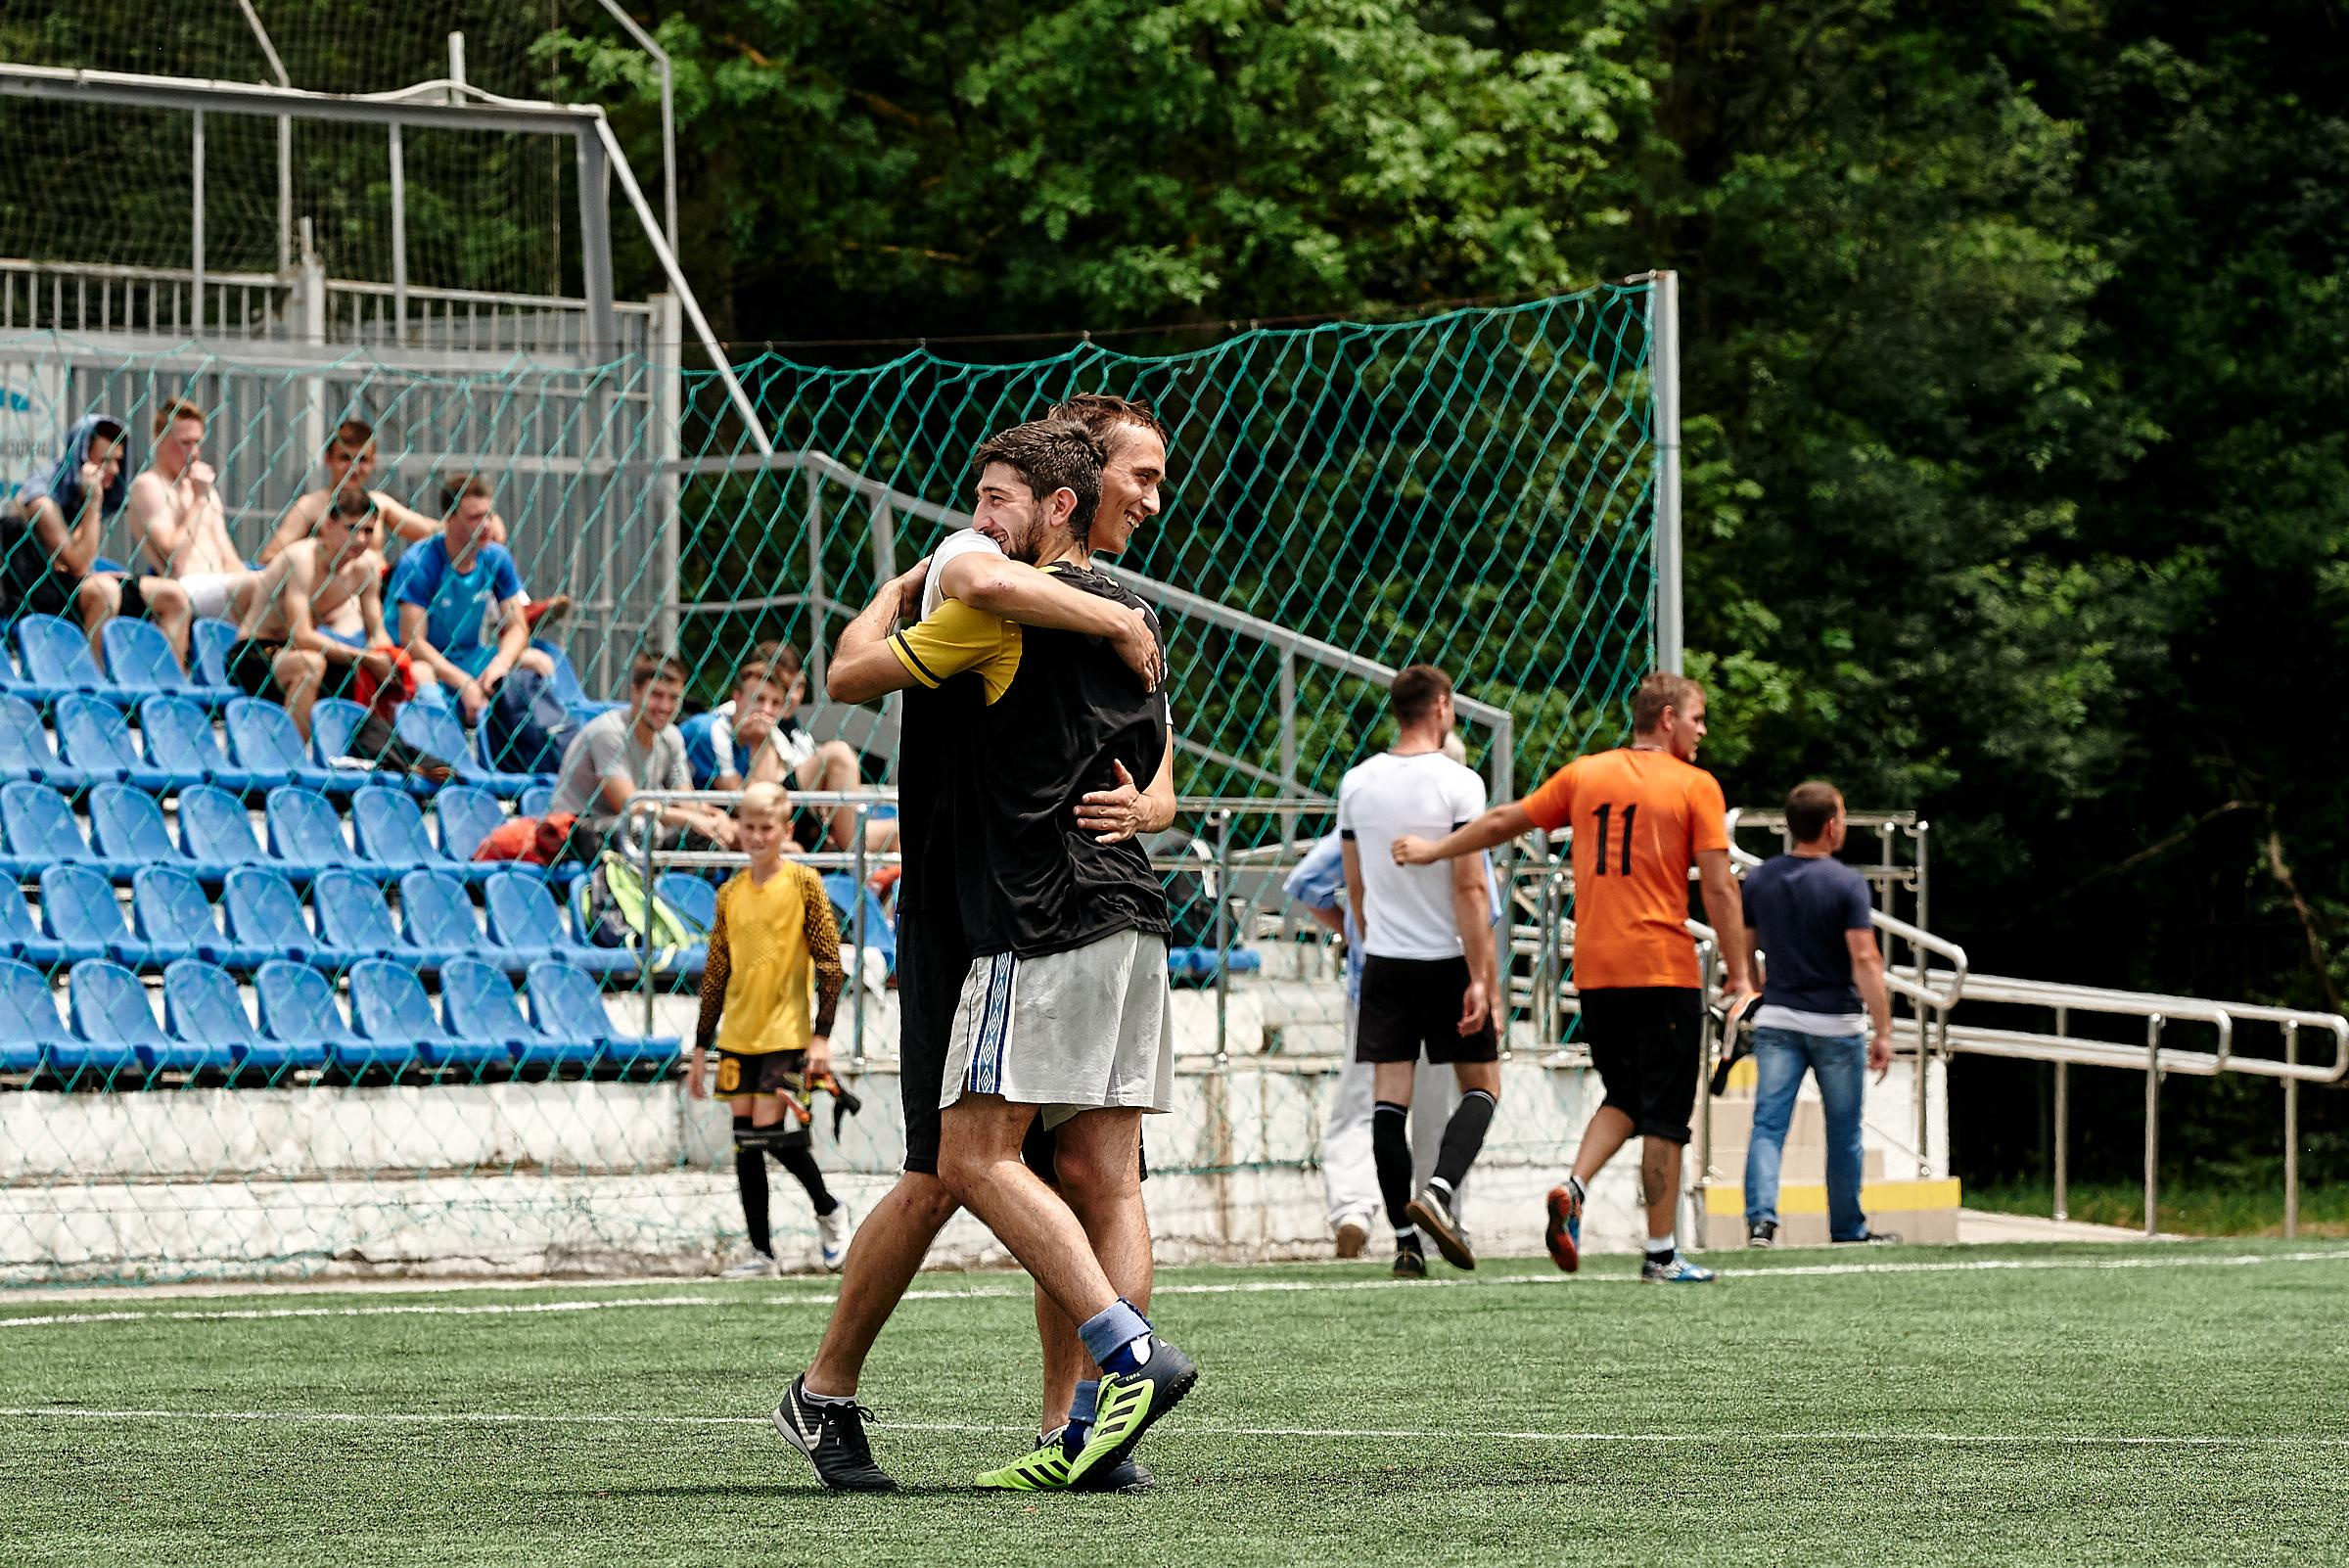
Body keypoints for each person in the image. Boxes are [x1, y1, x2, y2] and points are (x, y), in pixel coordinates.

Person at [773, 401, 1179, 1497]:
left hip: (1036, 911)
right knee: (950, 1169)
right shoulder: (998, 574)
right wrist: (938, 576)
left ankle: (1088, 1419)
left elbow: (1162, 780)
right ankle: (830, 1392)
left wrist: (1148, 807)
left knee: (1043, 1171)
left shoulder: (1101, 603)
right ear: (1081, 484)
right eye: (1140, 474)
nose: (1150, 497)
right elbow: (923, 621)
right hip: (968, 915)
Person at [1395, 670, 1753, 1283]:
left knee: (1625, 1097)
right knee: (1666, 1118)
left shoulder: (1586, 773)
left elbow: (1504, 820)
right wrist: (1740, 974)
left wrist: (1432, 851)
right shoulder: (1696, 785)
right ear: (1668, 718)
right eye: (1697, 718)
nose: (1702, 731)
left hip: (1595, 970)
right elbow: (1718, 887)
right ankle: (1661, 1253)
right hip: (1662, 968)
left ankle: (1575, 1188)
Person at [1283, 739, 1492, 1260]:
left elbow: (1307, 883)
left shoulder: (1367, 812)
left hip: (1376, 977)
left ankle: (1367, 1218)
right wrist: (1484, 981)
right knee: (1444, 1106)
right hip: (1446, 972)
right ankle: (1440, 1205)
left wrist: (1355, 930)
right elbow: (1480, 905)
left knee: (1369, 1104)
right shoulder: (1463, 824)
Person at [1334, 666, 1503, 1278]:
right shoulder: (1460, 783)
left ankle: (1405, 1243)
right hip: (1445, 959)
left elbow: (1353, 883)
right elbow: (1470, 887)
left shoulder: (1357, 783)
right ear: (1441, 706)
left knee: (1389, 1101)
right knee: (1483, 1087)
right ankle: (1438, 1191)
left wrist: (1372, 935)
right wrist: (1481, 976)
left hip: (1385, 961)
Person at [688, 782, 854, 1276]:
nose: (758, 836)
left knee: (768, 1134)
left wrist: (821, 1035)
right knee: (744, 1140)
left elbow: (830, 964)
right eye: (750, 827)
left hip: (786, 1034)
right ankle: (762, 1252)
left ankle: (828, 1208)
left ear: (785, 830)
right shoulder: (729, 894)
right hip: (738, 1035)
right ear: (738, 828)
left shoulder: (804, 884)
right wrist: (701, 1048)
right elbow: (716, 973)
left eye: (767, 828)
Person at [1737, 780, 1899, 1247]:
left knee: (1769, 1125)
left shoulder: (1761, 878)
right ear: (1831, 826)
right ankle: (1847, 1228)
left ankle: (1761, 1222)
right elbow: (1865, 959)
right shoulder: (1846, 883)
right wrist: (1883, 1029)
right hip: (1836, 1024)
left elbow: (1745, 944)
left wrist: (1755, 985)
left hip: (1778, 1019)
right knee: (1843, 1131)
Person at [4, 412, 193, 668]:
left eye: (117, 461)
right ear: (81, 459)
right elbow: (79, 564)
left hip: (73, 584)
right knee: (105, 590)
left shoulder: (78, 492)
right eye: (104, 461)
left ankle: (170, 683)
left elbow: (79, 565)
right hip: (38, 593)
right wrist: (93, 502)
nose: (114, 470)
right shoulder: (41, 500)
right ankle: (96, 679)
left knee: (173, 595)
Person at [220, 487, 398, 739]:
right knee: (311, 665)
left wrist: (390, 661)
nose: (360, 539)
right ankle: (294, 753)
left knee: (383, 674)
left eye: (368, 531)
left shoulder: (366, 568)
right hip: (255, 651)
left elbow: (378, 635)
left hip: (300, 652)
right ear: (329, 525)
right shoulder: (302, 558)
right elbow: (302, 635)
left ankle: (368, 748)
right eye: (351, 528)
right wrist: (365, 658)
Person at [391, 475, 556, 722]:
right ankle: (442, 740)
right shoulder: (420, 563)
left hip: (470, 655)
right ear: (450, 520)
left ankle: (543, 735)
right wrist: (463, 682)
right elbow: (413, 642)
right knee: (420, 673)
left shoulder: (496, 557)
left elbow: (517, 626)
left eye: (489, 515)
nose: (486, 525)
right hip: (428, 660)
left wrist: (500, 664)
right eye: (475, 518)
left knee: (538, 662)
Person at [548, 652, 739, 853]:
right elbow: (629, 805)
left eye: (674, 698)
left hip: (637, 823)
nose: (665, 706)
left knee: (710, 834)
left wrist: (717, 817)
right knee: (644, 828)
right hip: (580, 827)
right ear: (635, 692)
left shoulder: (671, 736)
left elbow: (685, 799)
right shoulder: (609, 732)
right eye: (656, 695)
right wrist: (690, 819)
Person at [123, 398, 252, 623]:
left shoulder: (204, 489)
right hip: (187, 587)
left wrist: (256, 583)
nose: (193, 452)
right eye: (184, 443)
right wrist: (199, 501)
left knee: (281, 587)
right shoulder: (150, 485)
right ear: (160, 440)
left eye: (197, 442)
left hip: (223, 585)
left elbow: (229, 557)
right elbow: (173, 557)